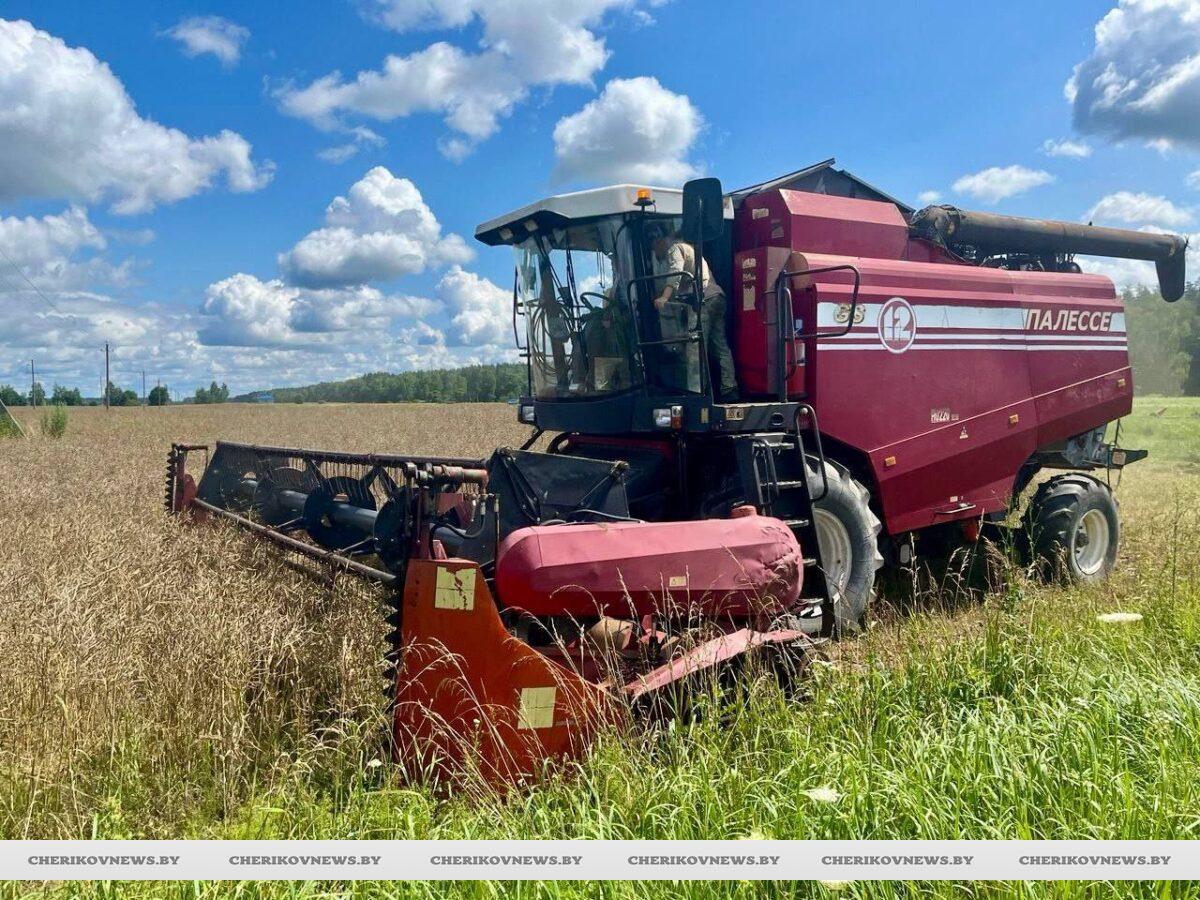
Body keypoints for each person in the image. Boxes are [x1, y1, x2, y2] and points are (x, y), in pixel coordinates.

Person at [649, 223, 739, 402]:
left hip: (702, 301)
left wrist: (664, 297)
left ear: (659, 241)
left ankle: (695, 394)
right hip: (717, 296)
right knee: (720, 345)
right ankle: (729, 387)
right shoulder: (690, 248)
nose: (656, 253)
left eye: (654, 248)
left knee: (694, 348)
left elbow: (676, 272)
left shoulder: (675, 248)